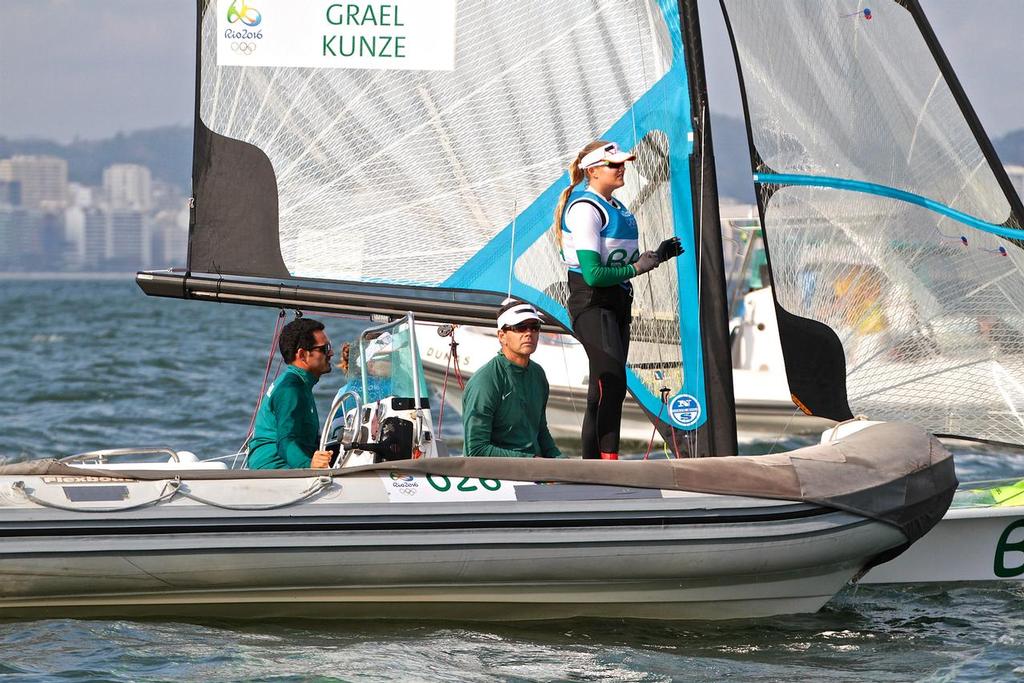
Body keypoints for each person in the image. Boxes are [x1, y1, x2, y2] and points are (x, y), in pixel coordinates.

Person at [553, 140, 683, 460]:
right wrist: (638, 268)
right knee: (611, 382)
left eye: (623, 163)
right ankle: (609, 464)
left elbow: (624, 261)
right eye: (614, 165)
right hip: (592, 302)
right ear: (593, 171)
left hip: (618, 303)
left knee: (603, 389)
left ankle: (593, 466)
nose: (622, 167)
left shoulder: (618, 209)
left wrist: (658, 256)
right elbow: (595, 274)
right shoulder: (586, 209)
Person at [461, 300, 561, 458]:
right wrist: (531, 462)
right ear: (502, 336)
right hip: (497, 475)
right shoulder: (485, 380)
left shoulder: (538, 374)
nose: (529, 333)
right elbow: (476, 450)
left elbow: (541, 432)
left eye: (534, 327)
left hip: (535, 470)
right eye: (520, 327)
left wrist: (562, 463)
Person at [247, 317, 335, 469]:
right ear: (302, 355)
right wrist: (309, 466)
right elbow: (286, 441)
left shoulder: (300, 383)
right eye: (324, 349)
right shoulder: (290, 389)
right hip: (274, 470)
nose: (331, 353)